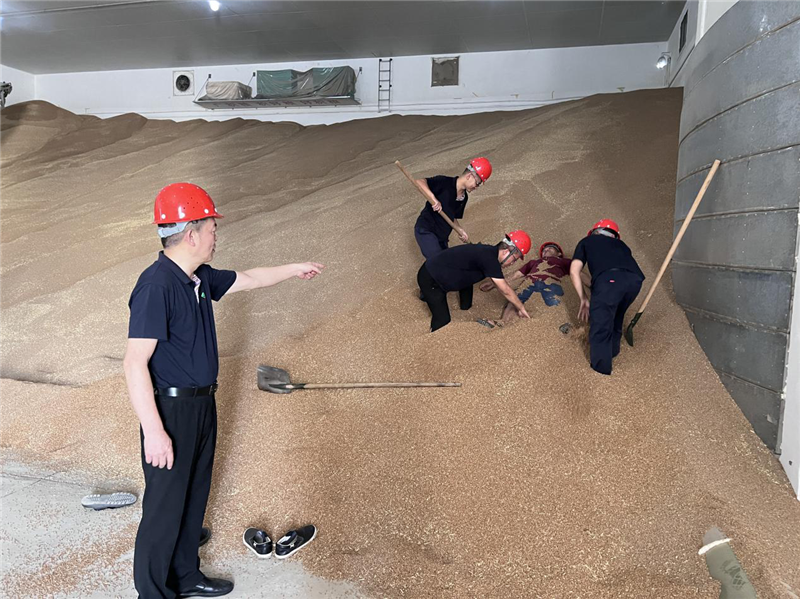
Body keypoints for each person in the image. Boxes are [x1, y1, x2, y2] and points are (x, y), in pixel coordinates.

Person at [124, 183, 323, 598]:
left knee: (193, 495)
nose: (216, 236)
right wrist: (155, 431)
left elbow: (249, 279)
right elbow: (134, 362)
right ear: (191, 233)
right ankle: (153, 592)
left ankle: (186, 576)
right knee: (163, 509)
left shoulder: (196, 278)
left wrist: (294, 268)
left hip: (202, 403)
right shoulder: (156, 286)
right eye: (212, 228)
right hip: (171, 411)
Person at [417, 230, 532, 332]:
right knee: (443, 320)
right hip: (431, 278)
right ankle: (426, 295)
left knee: (467, 301)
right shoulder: (489, 259)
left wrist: (493, 283)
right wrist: (521, 308)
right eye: (514, 259)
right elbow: (505, 290)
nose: (512, 263)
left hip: (449, 272)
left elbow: (494, 276)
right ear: (506, 251)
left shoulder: (489, 253)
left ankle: (462, 307)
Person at [569, 219, 644, 375]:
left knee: (601, 324)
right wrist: (598, 287)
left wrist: (583, 299)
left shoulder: (587, 241)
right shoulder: (622, 245)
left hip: (609, 280)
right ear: (615, 236)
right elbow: (614, 276)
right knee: (617, 315)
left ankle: (600, 370)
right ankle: (612, 352)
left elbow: (574, 271)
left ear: (594, 232)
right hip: (634, 281)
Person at [477, 241, 588, 328]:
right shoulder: (534, 262)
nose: (546, 249)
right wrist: (493, 283)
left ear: (559, 254)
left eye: (551, 247)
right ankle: (502, 323)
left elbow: (578, 273)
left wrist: (593, 284)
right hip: (529, 283)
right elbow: (516, 275)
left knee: (556, 303)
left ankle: (563, 326)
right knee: (513, 301)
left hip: (551, 283)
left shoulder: (564, 261)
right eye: (544, 249)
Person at [413, 157, 492, 259]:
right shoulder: (444, 182)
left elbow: (452, 216)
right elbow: (419, 182)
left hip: (442, 238)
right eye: (477, 183)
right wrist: (433, 199)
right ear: (469, 176)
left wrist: (460, 229)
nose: (476, 187)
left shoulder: (463, 198)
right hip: (426, 230)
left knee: (448, 263)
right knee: (438, 261)